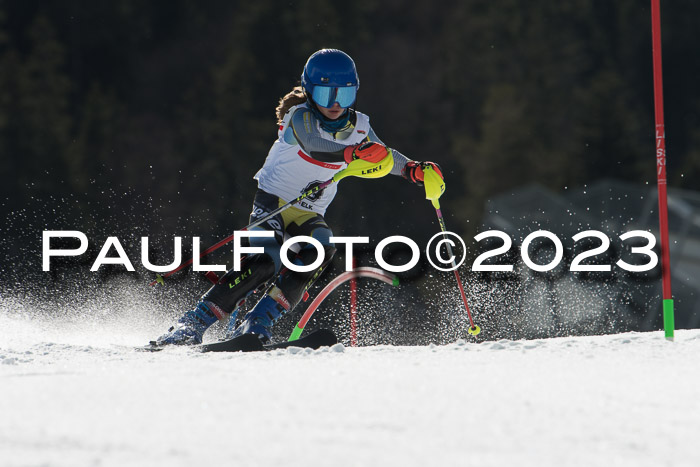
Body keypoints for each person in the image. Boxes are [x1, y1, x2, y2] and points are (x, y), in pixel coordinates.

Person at [155, 48, 443, 346]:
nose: (334, 104)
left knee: (320, 251)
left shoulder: (359, 127)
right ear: (308, 92)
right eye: (324, 94)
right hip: (274, 204)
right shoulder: (300, 118)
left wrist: (413, 169)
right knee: (266, 261)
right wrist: (351, 153)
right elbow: (313, 144)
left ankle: (258, 322)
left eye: (343, 96)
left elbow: (385, 156)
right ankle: (191, 324)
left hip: (309, 213)